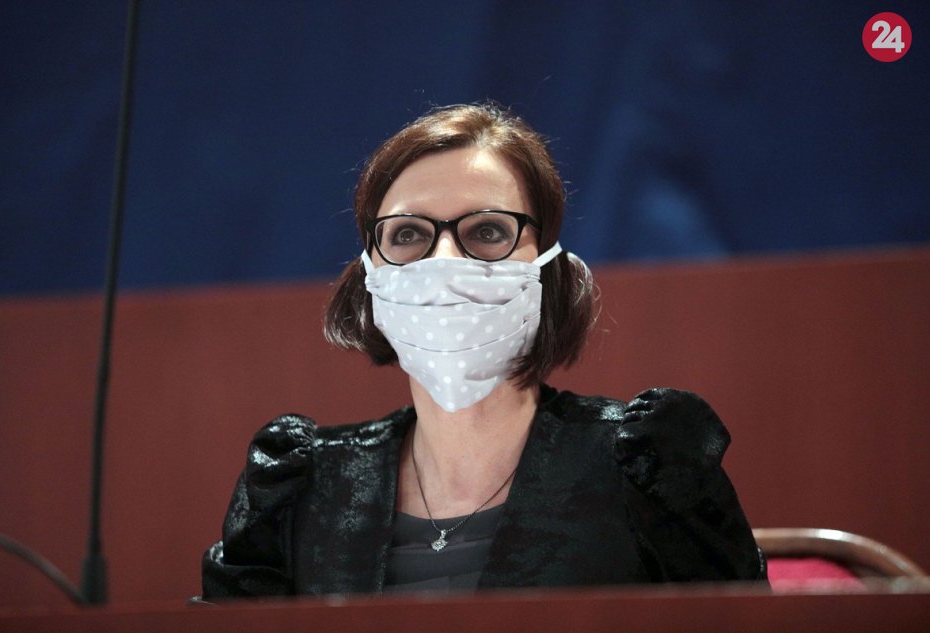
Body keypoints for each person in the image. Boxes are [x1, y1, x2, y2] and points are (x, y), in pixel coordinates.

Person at [201, 103, 766, 597]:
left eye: (488, 231)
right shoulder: (301, 487)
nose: (444, 261)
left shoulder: (647, 466)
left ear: (548, 267)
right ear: (369, 277)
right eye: (407, 234)